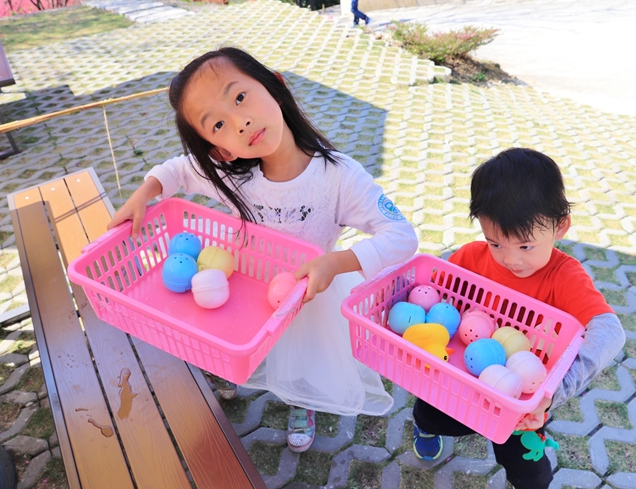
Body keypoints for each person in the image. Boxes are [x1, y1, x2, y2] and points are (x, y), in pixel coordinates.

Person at [107, 47, 418, 453]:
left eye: (239, 97)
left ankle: (301, 403)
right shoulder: (234, 175)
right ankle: (233, 374)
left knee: (300, 361)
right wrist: (145, 192)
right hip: (249, 288)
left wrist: (336, 263)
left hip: (306, 297)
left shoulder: (339, 177)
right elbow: (178, 170)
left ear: (275, 84)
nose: (241, 121)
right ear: (221, 150)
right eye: (218, 123)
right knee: (247, 346)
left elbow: (401, 235)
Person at [411, 148, 626, 489]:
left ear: (560, 226)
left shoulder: (564, 276)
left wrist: (553, 392)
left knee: (531, 472)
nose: (510, 259)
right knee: (431, 413)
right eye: (495, 243)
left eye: (525, 246)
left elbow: (610, 332)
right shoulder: (471, 256)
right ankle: (423, 426)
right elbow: (432, 291)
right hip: (460, 377)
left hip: (521, 398)